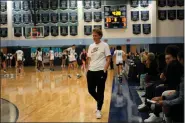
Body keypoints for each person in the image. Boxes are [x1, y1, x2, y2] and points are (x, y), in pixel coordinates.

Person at [87, 28, 111, 119]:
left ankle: (99, 109)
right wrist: (87, 68)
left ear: (100, 36)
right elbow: (89, 58)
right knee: (90, 90)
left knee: (100, 91)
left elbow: (109, 58)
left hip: (101, 71)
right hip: (91, 71)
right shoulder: (90, 46)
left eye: (96, 35)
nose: (94, 37)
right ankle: (100, 101)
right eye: (93, 35)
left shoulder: (105, 45)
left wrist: (105, 69)